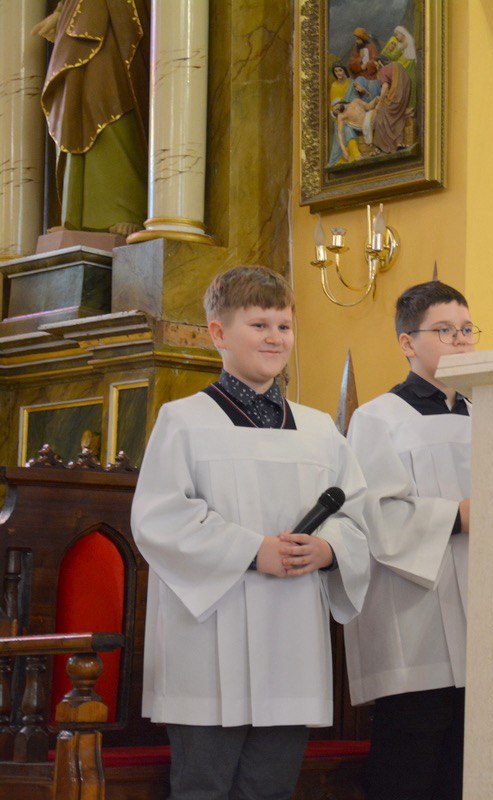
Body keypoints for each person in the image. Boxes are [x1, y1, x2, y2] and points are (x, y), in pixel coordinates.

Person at [131, 266, 372, 800]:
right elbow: (159, 518)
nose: (274, 338)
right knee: (204, 787)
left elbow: (358, 514)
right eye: (259, 325)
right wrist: (252, 550)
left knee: (271, 787)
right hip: (208, 638)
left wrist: (329, 548)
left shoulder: (319, 429)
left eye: (284, 326)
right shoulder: (184, 420)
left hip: (291, 638)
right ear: (219, 333)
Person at [344, 281, 478, 800]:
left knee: (464, 771)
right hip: (414, 613)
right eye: (444, 330)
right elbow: (374, 514)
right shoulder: (378, 419)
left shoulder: (490, 414)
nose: (460, 340)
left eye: (466, 329)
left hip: (480, 608)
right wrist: (456, 517)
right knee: (409, 768)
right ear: (407, 343)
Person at [33, 0, 149, 235]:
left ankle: (126, 210)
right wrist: (61, 11)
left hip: (115, 23)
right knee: (76, 111)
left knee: (112, 102)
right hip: (77, 20)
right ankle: (75, 217)